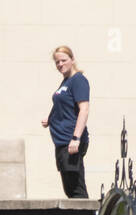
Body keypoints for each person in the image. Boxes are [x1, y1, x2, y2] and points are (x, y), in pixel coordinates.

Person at [42, 45, 90, 198]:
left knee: (76, 190)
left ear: (72, 60)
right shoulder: (66, 82)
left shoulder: (78, 80)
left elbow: (84, 109)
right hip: (61, 142)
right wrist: (50, 118)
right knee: (69, 189)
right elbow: (62, 103)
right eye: (57, 62)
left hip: (71, 142)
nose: (60, 64)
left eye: (63, 60)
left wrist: (76, 138)